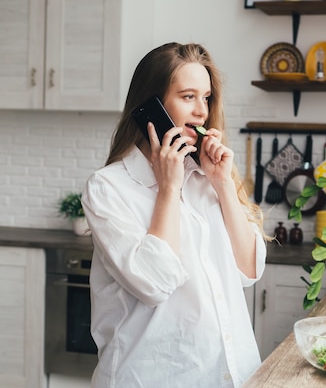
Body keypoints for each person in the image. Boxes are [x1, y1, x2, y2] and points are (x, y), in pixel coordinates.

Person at [81, 42, 267, 388]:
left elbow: (250, 269)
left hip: (232, 373)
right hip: (154, 376)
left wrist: (223, 185)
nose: (201, 111)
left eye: (206, 97)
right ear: (151, 106)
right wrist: (168, 189)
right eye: (187, 96)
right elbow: (154, 283)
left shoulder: (209, 177)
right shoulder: (108, 188)